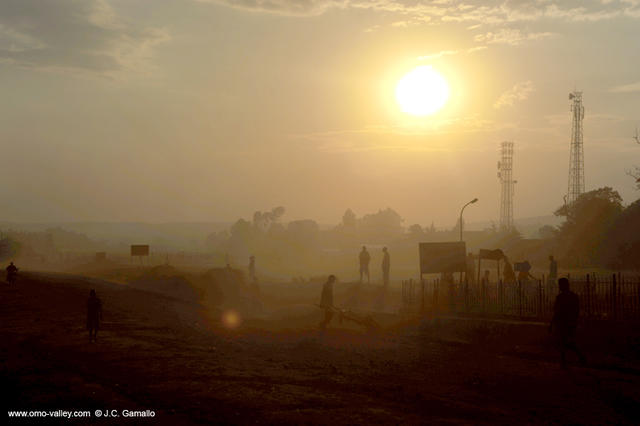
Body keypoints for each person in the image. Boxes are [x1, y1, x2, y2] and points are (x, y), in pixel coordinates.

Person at [549, 278, 585, 368]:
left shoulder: (560, 297)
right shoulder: (574, 296)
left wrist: (551, 323)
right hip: (570, 323)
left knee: (563, 342)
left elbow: (556, 312)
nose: (559, 287)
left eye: (560, 285)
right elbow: (577, 310)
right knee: (564, 342)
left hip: (563, 323)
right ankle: (566, 360)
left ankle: (567, 360)